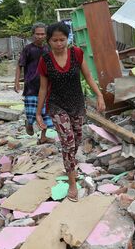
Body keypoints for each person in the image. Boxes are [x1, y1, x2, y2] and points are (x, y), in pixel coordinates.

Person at [36, 22, 105, 202]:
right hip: (56, 105)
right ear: (49, 41)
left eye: (62, 39)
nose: (59, 44)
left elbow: (88, 76)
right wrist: (38, 113)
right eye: (55, 40)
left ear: (68, 39)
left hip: (76, 103)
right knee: (67, 142)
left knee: (76, 141)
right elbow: (43, 89)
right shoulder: (45, 60)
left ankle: (71, 165)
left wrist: (99, 95)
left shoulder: (76, 54)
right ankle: (72, 182)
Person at [15, 22, 55, 143]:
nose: (40, 36)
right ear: (33, 34)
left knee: (46, 113)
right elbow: (19, 65)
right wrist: (16, 81)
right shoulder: (28, 49)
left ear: (46, 35)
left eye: (42, 34)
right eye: (37, 34)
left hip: (46, 86)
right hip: (31, 87)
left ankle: (43, 137)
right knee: (32, 113)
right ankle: (29, 123)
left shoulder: (49, 49)